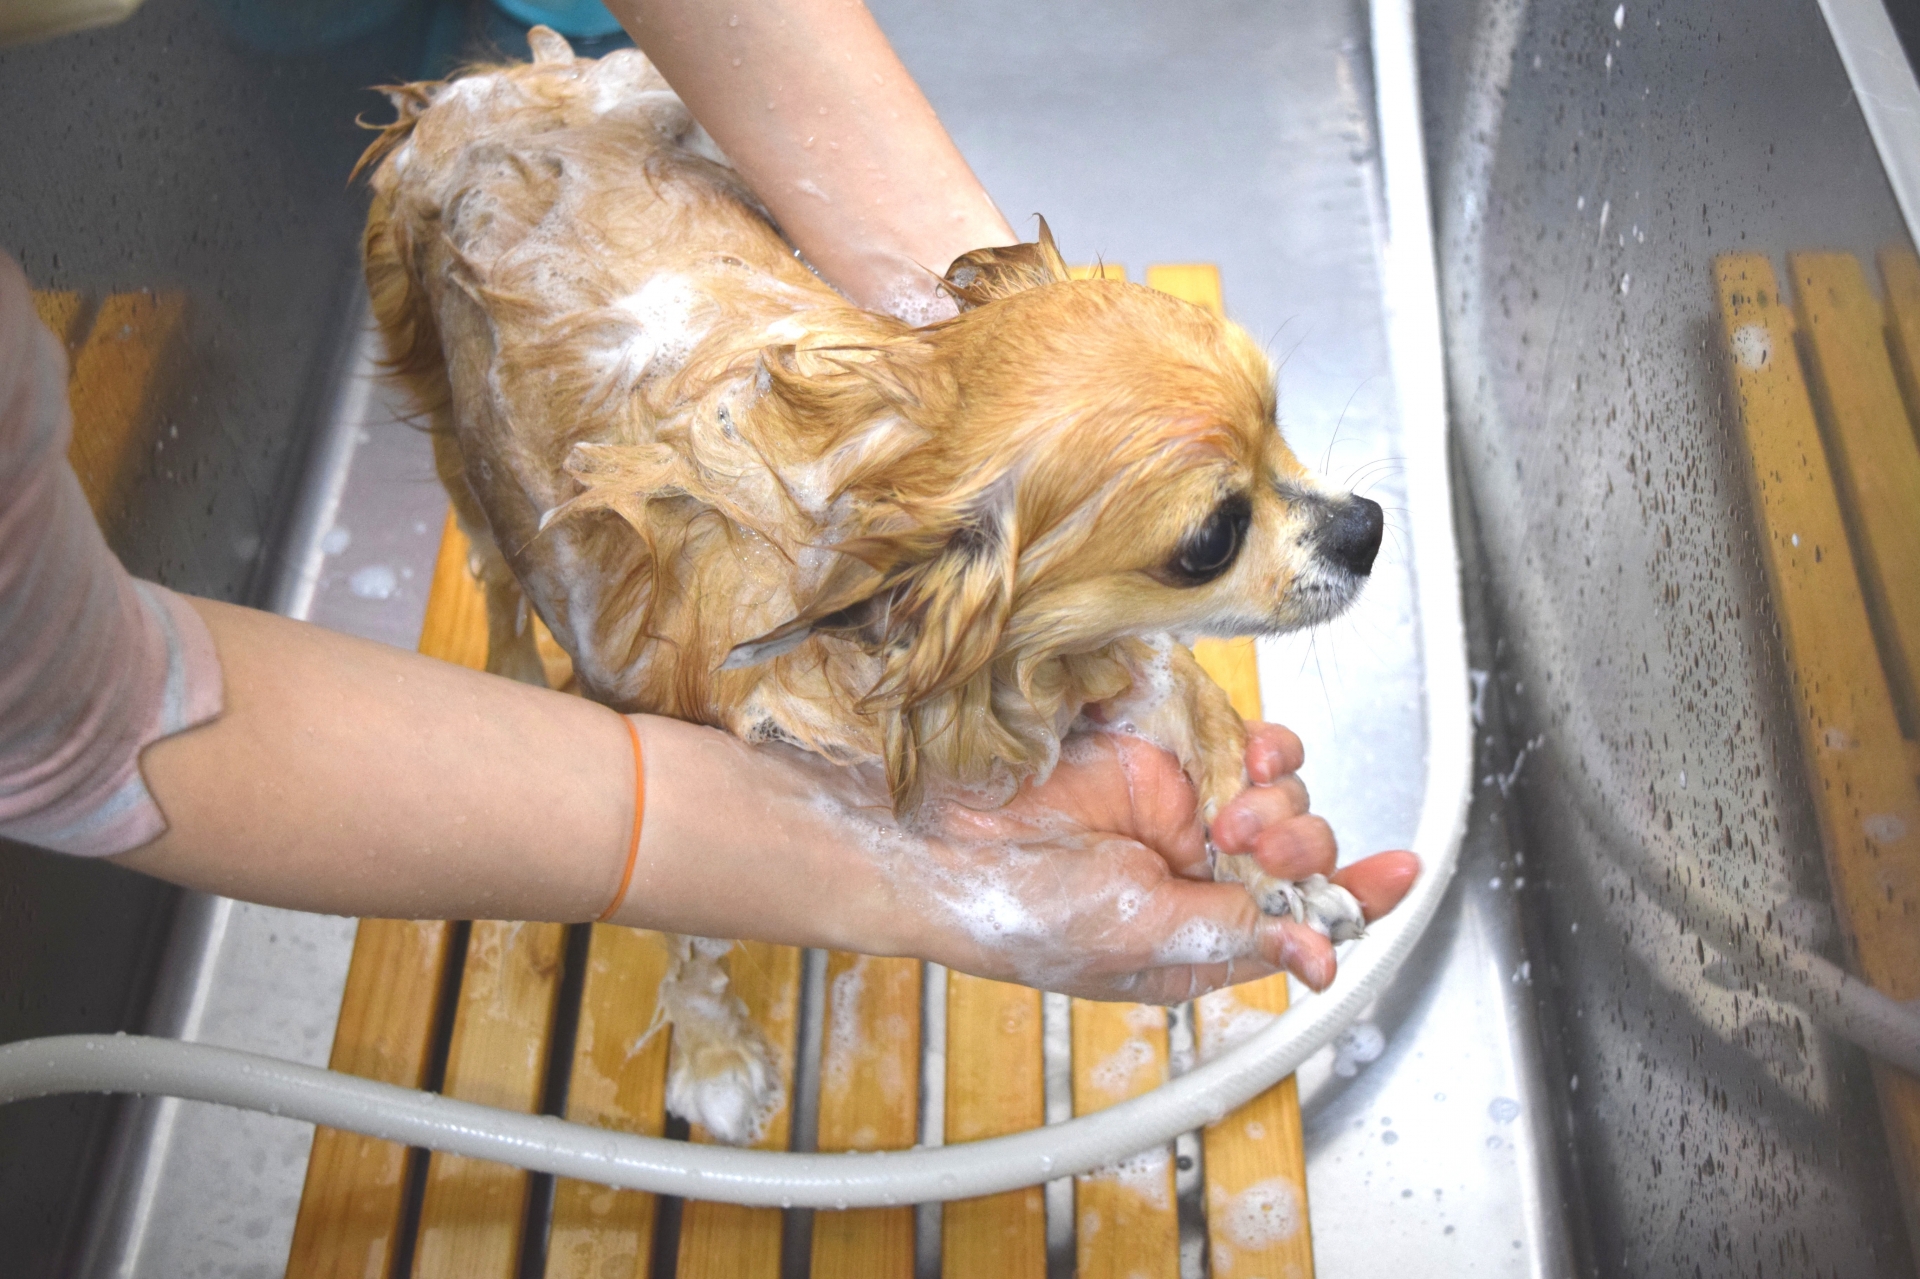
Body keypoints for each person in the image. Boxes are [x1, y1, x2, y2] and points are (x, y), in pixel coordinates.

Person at [0, 0, 1417, 1004]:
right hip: (505, 263)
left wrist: (992, 331)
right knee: (555, 610)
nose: (1334, 524)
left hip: (648, 132)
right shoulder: (838, 611)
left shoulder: (975, 565)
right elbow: (90, 731)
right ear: (929, 601)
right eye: (1214, 538)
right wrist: (904, 879)